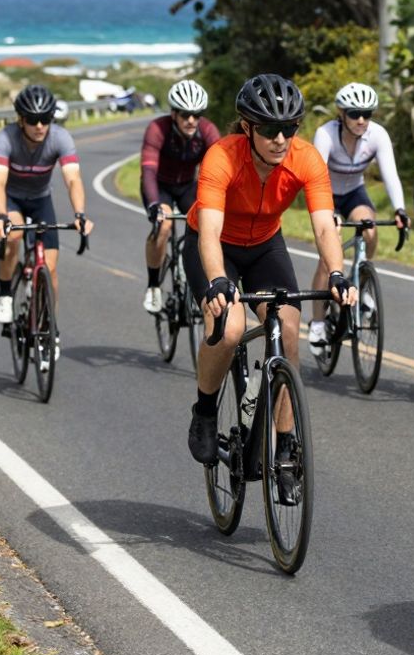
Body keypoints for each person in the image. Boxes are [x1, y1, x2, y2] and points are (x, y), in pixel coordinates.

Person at [183, 74, 355, 503]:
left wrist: (336, 272)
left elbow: (322, 224)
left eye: (289, 128)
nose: (280, 139)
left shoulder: (307, 159)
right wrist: (219, 281)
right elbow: (209, 232)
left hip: (264, 246)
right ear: (247, 127)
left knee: (290, 331)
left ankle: (285, 448)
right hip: (214, 245)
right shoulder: (221, 157)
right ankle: (205, 411)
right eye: (268, 129)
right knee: (231, 329)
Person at [0, 85, 95, 362]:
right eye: (33, 120)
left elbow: (72, 179)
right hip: (11, 200)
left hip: (40, 200)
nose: (40, 126)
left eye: (46, 119)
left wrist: (80, 214)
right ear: (20, 119)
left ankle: (48, 327)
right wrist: (0, 216)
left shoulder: (60, 138)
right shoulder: (5, 138)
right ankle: (4, 295)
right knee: (13, 237)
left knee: (49, 267)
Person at [306, 82, 408, 354]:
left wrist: (399, 209)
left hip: (354, 193)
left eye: (367, 113)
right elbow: (315, 179)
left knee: (370, 229)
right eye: (354, 113)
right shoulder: (325, 134)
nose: (361, 119)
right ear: (341, 113)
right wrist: (328, 215)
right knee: (330, 255)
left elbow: (391, 176)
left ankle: (362, 282)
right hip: (325, 194)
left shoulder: (378, 135)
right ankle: (317, 322)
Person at [139, 79, 220, 313]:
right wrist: (155, 204)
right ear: (174, 113)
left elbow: (220, 168)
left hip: (187, 186)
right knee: (163, 227)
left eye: (197, 114)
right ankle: (153, 285)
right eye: (185, 115)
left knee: (207, 225)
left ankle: (199, 277)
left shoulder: (207, 131)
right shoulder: (157, 129)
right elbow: (148, 170)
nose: (191, 120)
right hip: (160, 186)